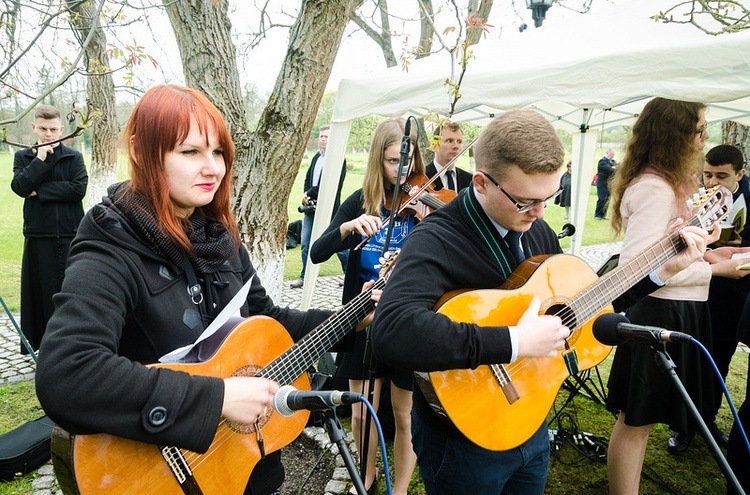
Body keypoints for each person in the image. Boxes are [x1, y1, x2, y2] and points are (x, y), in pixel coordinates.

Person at [34, 85, 377, 495]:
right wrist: (216, 398)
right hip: (156, 474)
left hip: (245, 466)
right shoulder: (111, 244)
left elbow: (270, 321)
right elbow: (67, 373)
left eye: (218, 152)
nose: (213, 168)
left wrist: (354, 317)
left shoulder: (220, 238)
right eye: (190, 152)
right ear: (143, 152)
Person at [370, 109, 713, 495]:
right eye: (525, 201)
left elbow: (585, 302)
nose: (539, 213)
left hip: (531, 420)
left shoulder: (537, 230)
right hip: (464, 439)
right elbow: (392, 332)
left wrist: (661, 270)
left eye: (547, 198)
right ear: (481, 182)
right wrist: (515, 341)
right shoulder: (436, 238)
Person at [604, 98, 748, 495]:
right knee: (636, 422)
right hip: (660, 313)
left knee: (642, 422)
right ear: (675, 134)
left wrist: (707, 249)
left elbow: (668, 252)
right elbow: (636, 271)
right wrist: (712, 268)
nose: (705, 139)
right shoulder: (653, 188)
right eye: (699, 130)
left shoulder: (665, 183)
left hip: (677, 310)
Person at [310, 118, 422, 495]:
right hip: (362, 318)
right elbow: (316, 252)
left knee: (404, 413)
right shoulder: (359, 202)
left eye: (406, 162)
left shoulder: (422, 205)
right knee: (361, 409)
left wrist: (432, 224)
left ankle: (401, 488)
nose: (401, 171)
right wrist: (347, 227)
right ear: (378, 159)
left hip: (407, 318)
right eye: (393, 162)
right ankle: (367, 479)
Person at [667, 144, 750, 454]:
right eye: (708, 175)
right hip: (695, 290)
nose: (713, 182)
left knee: (720, 361)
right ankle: (683, 425)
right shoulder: (695, 199)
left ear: (740, 174)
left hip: (735, 297)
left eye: (722, 176)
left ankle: (708, 419)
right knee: (689, 358)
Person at [10, 104, 88, 354]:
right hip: (38, 234)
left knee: (71, 291)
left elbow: (78, 189)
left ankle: (76, 345)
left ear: (62, 129)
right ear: (34, 127)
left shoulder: (73, 157)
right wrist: (40, 160)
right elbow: (21, 187)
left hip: (70, 233)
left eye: (53, 129)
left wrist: (40, 191)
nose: (48, 134)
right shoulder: (24, 157)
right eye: (43, 129)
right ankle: (43, 346)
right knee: (40, 294)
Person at [290, 125, 347, 288]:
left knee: (339, 246)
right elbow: (308, 178)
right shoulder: (316, 157)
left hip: (330, 210)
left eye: (327, 137)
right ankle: (304, 278)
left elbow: (328, 184)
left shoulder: (339, 159)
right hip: (311, 209)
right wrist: (306, 196)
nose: (323, 139)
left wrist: (308, 193)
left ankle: (349, 275)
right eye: (322, 136)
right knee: (306, 243)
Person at [425, 120, 472, 193]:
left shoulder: (469, 179)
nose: (456, 146)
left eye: (459, 142)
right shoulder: (423, 177)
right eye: (449, 141)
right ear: (435, 145)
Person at [595, 148, 616, 219]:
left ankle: (603, 215)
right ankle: (597, 214)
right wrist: (613, 168)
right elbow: (610, 169)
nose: (613, 156)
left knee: (607, 200)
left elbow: (616, 168)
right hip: (602, 184)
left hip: (609, 184)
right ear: (608, 153)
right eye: (612, 154)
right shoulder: (602, 161)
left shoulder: (612, 161)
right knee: (602, 199)